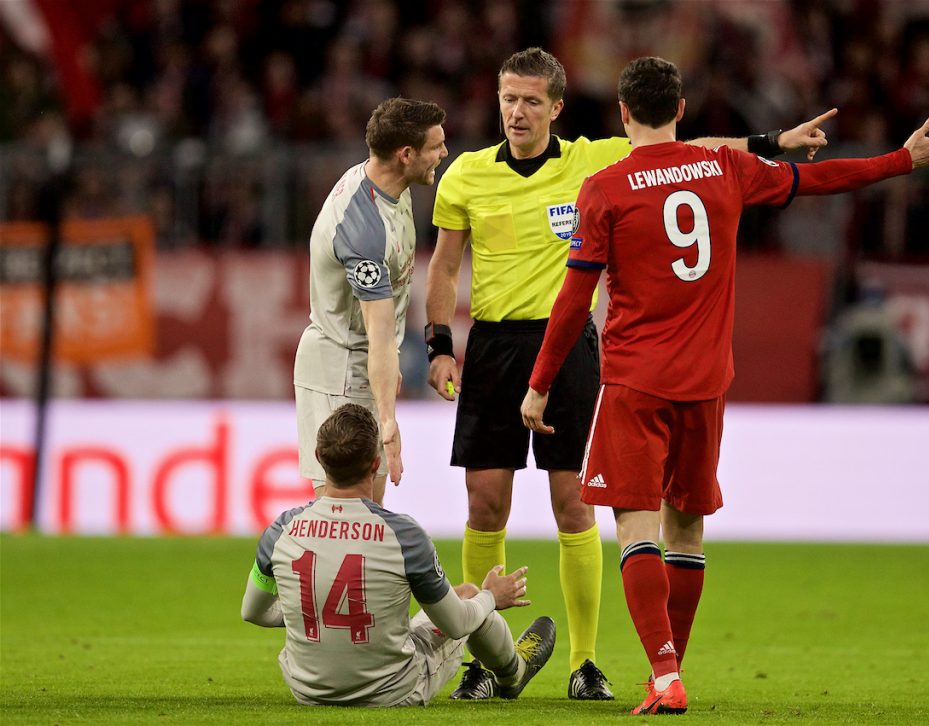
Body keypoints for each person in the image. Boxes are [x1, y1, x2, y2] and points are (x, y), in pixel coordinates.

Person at [520, 56, 929, 715]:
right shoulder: (724, 169)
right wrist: (901, 160)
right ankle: (671, 672)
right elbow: (820, 180)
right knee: (687, 532)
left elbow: (572, 301)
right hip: (705, 385)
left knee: (635, 528)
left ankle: (664, 672)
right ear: (682, 110)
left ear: (621, 113)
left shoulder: (605, 189)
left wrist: (539, 385)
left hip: (636, 381)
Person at [424, 46, 837, 700]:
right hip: (495, 349)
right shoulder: (465, 176)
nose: (518, 111)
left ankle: (582, 664)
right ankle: (483, 655)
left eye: (532, 100)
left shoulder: (593, 159)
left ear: (556, 108)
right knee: (485, 502)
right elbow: (445, 268)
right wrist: (440, 343)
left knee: (572, 505)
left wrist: (769, 141)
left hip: (570, 348)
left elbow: (685, 145)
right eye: (509, 98)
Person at [241, 403, 557, 707]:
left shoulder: (282, 529)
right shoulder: (404, 536)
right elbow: (458, 623)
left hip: (306, 689)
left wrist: (318, 613)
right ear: (376, 463)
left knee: (457, 599)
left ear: (318, 457)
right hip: (392, 690)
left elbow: (252, 612)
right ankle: (513, 671)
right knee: (470, 596)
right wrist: (491, 596)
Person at [294, 97, 448, 504]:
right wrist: (388, 421)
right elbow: (378, 333)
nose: (443, 154)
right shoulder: (364, 230)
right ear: (406, 154)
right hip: (340, 372)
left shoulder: (390, 186)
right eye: (435, 147)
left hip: (361, 363)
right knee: (345, 517)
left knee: (365, 518)